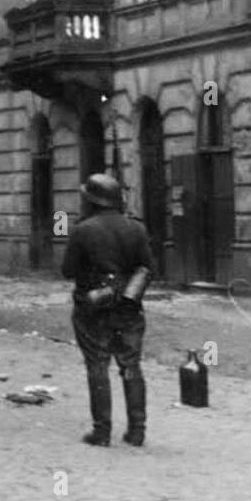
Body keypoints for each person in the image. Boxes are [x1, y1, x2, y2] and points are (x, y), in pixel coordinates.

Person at [62, 173, 155, 447]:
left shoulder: (83, 230)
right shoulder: (137, 228)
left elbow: (68, 270)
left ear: (91, 201)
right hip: (129, 307)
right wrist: (127, 293)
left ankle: (102, 432)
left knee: (97, 365)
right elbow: (148, 268)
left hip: (93, 309)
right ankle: (137, 431)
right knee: (131, 365)